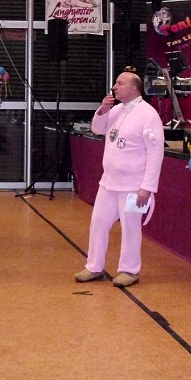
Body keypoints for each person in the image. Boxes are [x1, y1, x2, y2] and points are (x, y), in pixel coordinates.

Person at [74, 71, 165, 288]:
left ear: (133, 88)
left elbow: (156, 152)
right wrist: (102, 111)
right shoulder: (116, 110)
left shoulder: (148, 114)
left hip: (133, 185)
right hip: (108, 183)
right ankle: (94, 266)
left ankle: (129, 270)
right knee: (98, 223)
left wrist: (147, 187)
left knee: (130, 227)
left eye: (120, 83)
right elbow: (97, 129)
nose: (114, 87)